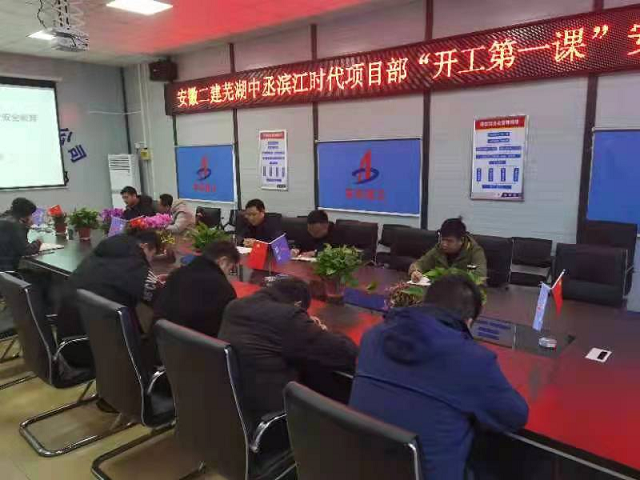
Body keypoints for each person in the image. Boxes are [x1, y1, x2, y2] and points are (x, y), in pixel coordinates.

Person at [349, 275, 529, 480]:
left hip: (362, 469)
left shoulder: (373, 336)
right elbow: (515, 416)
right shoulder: (471, 359)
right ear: (468, 322)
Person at [218, 277, 358, 430]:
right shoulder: (288, 317)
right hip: (277, 422)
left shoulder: (235, 307)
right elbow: (346, 353)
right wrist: (321, 330)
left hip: (235, 413)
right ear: (297, 304)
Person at [56, 230, 166, 369]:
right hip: (98, 351)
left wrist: (150, 281)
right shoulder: (134, 263)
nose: (150, 261)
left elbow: (119, 280)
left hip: (70, 342)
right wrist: (162, 285)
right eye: (152, 255)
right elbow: (164, 300)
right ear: (144, 246)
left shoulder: (100, 255)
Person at [153, 240, 239, 337]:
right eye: (229, 269)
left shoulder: (177, 274)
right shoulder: (224, 289)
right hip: (197, 344)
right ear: (223, 261)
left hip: (161, 339)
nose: (227, 274)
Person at [410, 218, 487, 283]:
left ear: (461, 240)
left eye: (449, 241)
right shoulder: (438, 249)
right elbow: (420, 264)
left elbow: (480, 276)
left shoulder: (475, 251)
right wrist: (416, 272)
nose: (444, 244)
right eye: (442, 239)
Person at [0, 198, 42, 272]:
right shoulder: (14, 225)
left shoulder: (3, 217)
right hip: (7, 270)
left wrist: (24, 226)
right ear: (26, 215)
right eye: (30, 214)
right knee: (44, 274)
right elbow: (27, 250)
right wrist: (38, 242)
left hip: (3, 266)